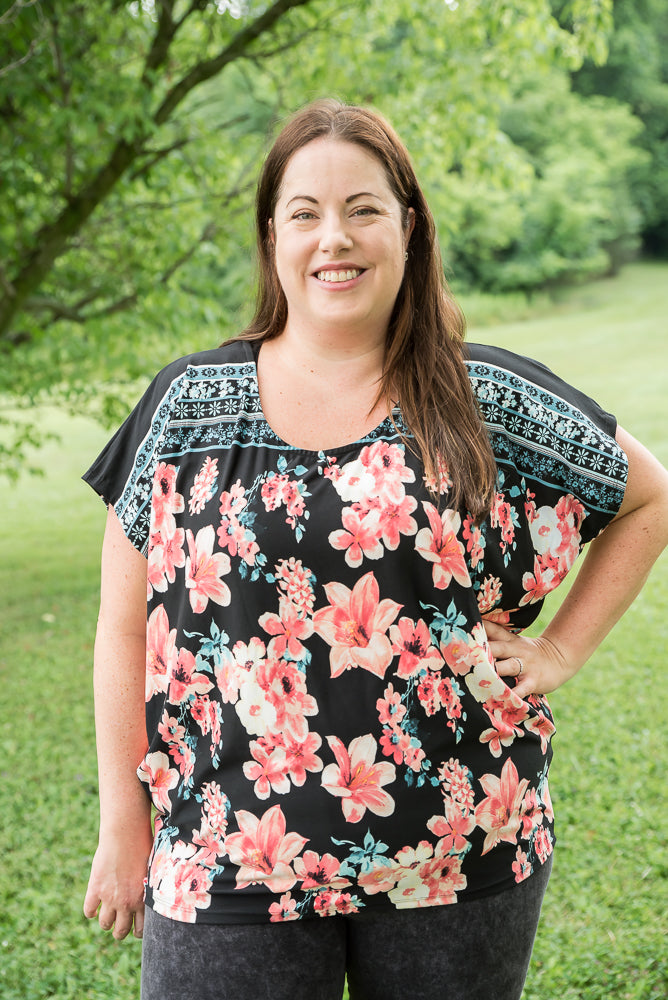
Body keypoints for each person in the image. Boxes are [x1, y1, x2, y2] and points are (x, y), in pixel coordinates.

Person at [82, 99, 668, 1000]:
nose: (334, 239)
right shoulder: (187, 407)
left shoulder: (485, 398)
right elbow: (125, 630)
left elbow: (649, 497)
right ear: (273, 237)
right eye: (304, 213)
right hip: (228, 849)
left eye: (363, 208)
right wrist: (125, 822)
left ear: (409, 226)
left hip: (456, 842)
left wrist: (559, 650)